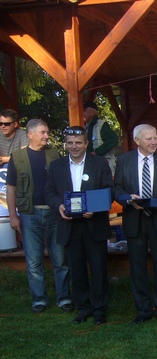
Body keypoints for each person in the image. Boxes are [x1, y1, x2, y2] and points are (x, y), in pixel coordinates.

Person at [45, 126, 114, 325]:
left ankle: (100, 310)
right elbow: (49, 192)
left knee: (99, 269)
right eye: (70, 143)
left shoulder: (99, 163)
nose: (74, 146)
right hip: (70, 225)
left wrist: (95, 208)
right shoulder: (56, 166)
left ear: (86, 144)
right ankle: (83, 308)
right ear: (66, 144)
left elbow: (109, 191)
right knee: (76, 270)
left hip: (94, 223)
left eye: (78, 143)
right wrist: (58, 205)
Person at [114, 124, 157, 324]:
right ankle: (143, 310)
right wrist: (128, 199)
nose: (153, 142)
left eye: (155, 138)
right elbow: (117, 188)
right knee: (137, 267)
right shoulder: (123, 160)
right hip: (135, 219)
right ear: (137, 140)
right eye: (149, 138)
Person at [6, 119, 71, 313]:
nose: (46, 136)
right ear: (30, 134)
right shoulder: (17, 157)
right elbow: (11, 188)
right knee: (34, 261)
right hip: (29, 214)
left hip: (54, 213)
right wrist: (13, 215)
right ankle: (39, 299)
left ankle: (64, 298)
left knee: (60, 259)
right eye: (43, 132)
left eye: (47, 132)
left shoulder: (54, 155)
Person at [83, 101, 119, 175]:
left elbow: (113, 139)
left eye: (85, 110)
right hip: (92, 165)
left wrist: (97, 152)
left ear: (93, 112)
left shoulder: (101, 124)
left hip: (105, 165)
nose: (82, 113)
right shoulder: (85, 127)